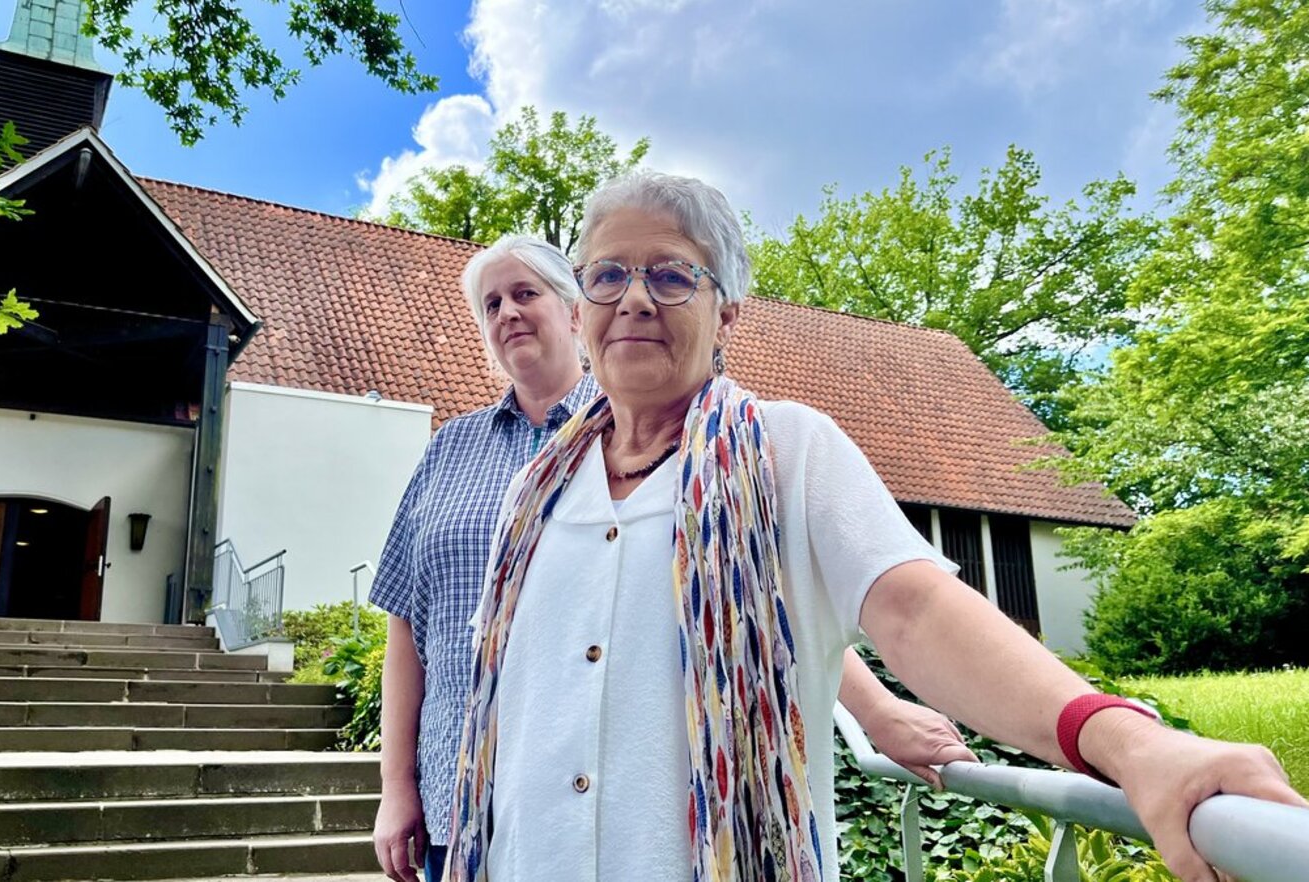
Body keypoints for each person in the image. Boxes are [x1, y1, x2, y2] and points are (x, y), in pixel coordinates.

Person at [444, 173, 1307, 882]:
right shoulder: (533, 492)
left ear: (727, 312)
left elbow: (917, 612)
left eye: (671, 276)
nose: (634, 299)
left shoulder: (789, 450)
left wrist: (1130, 743)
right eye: (607, 276)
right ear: (583, 309)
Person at [370, 235, 976, 882]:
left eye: (525, 293)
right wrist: (396, 784)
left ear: (574, 310)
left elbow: (752, 600)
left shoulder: (669, 428)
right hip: (463, 791)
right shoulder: (450, 449)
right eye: (491, 304)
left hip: (632, 791)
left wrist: (875, 709)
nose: (508, 313)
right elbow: (408, 619)